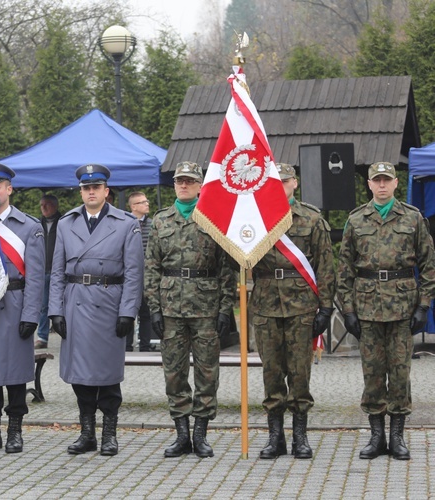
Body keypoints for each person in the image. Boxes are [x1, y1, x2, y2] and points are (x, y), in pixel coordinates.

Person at [337, 161, 435, 461]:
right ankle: (377, 436)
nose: (382, 185)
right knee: (373, 375)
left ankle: (398, 436)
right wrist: (349, 310)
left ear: (395, 183)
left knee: (401, 374)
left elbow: (429, 266)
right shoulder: (356, 220)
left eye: (387, 180)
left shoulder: (413, 218)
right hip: (367, 308)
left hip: (403, 307)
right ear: (369, 184)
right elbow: (344, 271)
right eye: (376, 180)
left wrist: (424, 306)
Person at [49, 163, 143, 456]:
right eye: (86, 188)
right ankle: (87, 433)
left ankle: (110, 435)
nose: (91, 192)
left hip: (109, 303)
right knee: (80, 376)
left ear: (106, 191)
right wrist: (56, 310)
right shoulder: (66, 223)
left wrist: (128, 311)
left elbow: (134, 273)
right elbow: (56, 271)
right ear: (81, 191)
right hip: (75, 301)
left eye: (96, 187)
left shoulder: (126, 223)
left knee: (108, 376)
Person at [144, 162, 236, 458]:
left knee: (208, 372)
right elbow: (151, 269)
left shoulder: (213, 218)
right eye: (179, 181)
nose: (183, 185)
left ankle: (201, 433)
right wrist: (154, 309)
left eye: (189, 181)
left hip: (206, 307)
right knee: (174, 372)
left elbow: (225, 269)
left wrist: (225, 310)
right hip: (171, 308)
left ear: (200, 186)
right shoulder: (161, 221)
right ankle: (181, 434)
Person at [250, 163, 335, 460]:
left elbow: (325, 266)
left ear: (294, 183)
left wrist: (326, 307)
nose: (280, 186)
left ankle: (300, 436)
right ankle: (276, 438)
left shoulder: (312, 218)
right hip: (265, 305)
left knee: (300, 374)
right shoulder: (255, 219)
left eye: (284, 181)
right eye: (274, 182)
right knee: (272, 374)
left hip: (301, 305)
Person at [0, 163, 44, 454]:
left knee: (16, 374)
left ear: (8, 189)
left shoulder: (30, 227)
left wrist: (31, 315)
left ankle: (15, 430)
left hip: (16, 304)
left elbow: (37, 277)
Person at [127, 191, 154, 352]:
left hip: (147, 276)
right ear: (134, 207)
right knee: (128, 312)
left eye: (147, 201)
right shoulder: (125, 224)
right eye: (143, 202)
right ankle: (126, 346)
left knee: (146, 313)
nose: (147, 204)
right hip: (129, 277)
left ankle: (145, 345)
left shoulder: (153, 224)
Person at [35, 194, 60, 350]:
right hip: (43, 270)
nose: (44, 208)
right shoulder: (36, 224)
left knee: (63, 305)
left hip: (59, 271)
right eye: (42, 205)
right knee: (43, 306)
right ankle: (42, 337)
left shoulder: (64, 223)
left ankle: (67, 334)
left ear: (55, 206)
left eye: (47, 204)